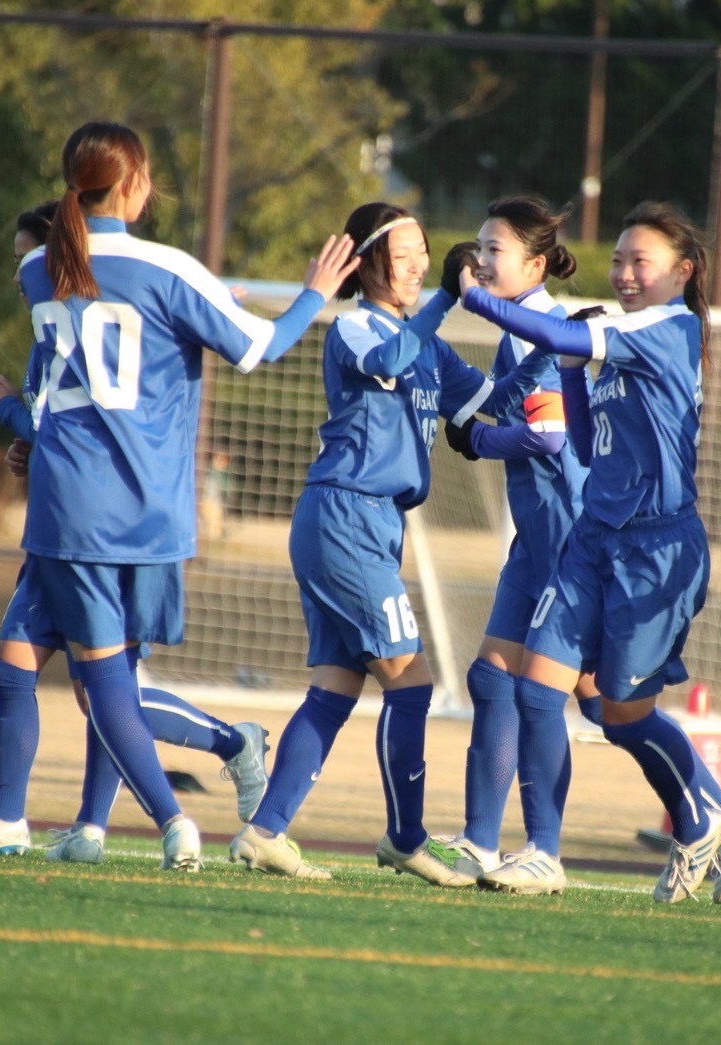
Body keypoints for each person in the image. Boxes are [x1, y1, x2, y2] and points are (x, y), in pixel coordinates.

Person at [0, 121, 359, 872]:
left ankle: (171, 817)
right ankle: (54, 822)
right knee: (40, 668)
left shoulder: (38, 267)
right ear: (133, 183)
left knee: (103, 684)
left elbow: (66, 381)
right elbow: (262, 346)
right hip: (144, 510)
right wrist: (313, 295)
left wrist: (18, 420)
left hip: (80, 506)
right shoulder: (168, 268)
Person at [229, 203, 552, 885]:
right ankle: (406, 838)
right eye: (402, 255)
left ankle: (264, 832)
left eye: (421, 252)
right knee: (411, 684)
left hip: (371, 526)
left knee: (336, 685)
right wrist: (445, 298)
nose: (415, 265)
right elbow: (389, 358)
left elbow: (492, 401)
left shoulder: (425, 343)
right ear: (369, 263)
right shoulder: (356, 327)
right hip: (345, 517)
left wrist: (550, 352)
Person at [456, 201, 721, 904]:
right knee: (536, 688)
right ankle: (542, 852)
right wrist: (571, 369)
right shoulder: (624, 339)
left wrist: (473, 295)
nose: (623, 274)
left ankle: (705, 814)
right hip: (593, 538)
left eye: (639, 262)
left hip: (656, 551)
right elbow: (590, 441)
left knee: (621, 711)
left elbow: (549, 329)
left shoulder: (668, 328)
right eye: (618, 260)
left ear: (683, 272)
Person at [433, 195, 603, 894]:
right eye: (477, 246)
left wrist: (478, 440)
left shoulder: (548, 328)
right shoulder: (518, 333)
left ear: (535, 265)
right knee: (492, 679)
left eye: (493, 249)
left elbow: (549, 437)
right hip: (534, 541)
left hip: (569, 541)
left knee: (599, 703)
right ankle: (480, 840)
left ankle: (700, 812)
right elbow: (510, 402)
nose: (479, 260)